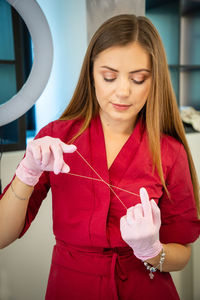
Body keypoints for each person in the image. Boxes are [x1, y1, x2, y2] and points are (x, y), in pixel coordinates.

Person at [0, 14, 199, 300]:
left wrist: (154, 252)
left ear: (154, 80)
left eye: (138, 79)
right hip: (70, 288)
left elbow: (183, 254)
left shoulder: (169, 151)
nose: (123, 91)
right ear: (91, 73)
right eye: (109, 76)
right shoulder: (57, 137)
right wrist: (26, 173)